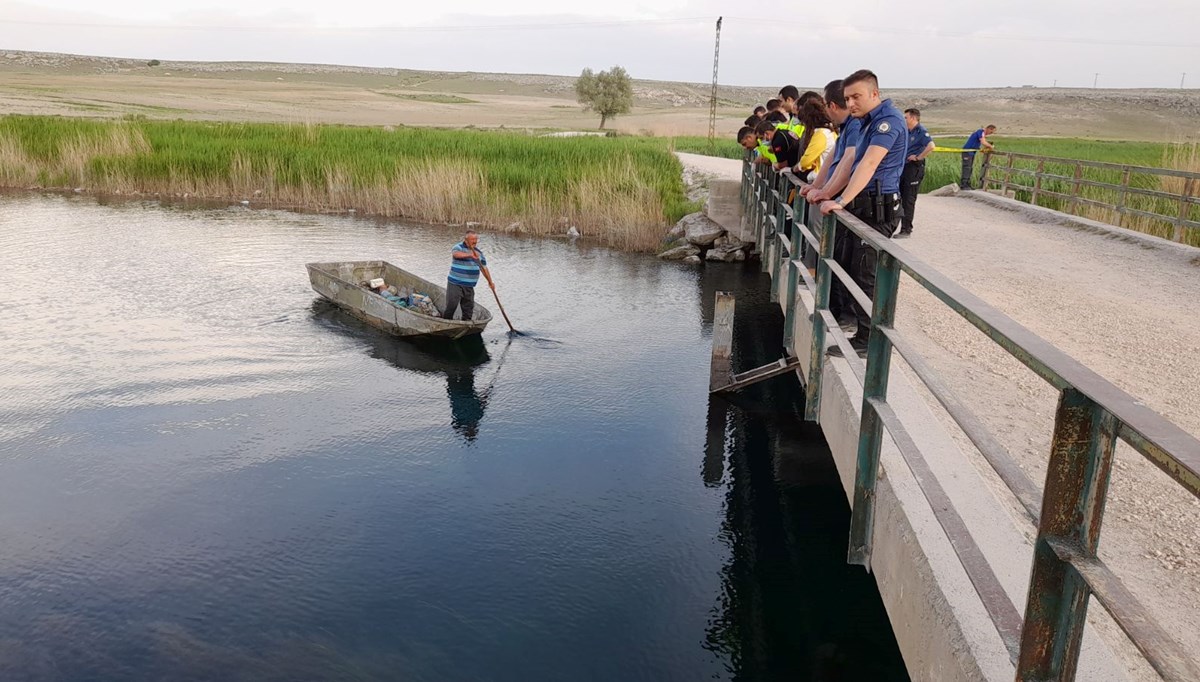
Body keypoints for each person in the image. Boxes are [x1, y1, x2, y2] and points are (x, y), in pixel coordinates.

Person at [818, 69, 908, 356]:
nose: (851, 103)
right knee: (851, 267)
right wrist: (827, 192)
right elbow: (850, 162)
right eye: (847, 98)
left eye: (856, 96)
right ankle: (858, 328)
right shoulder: (868, 122)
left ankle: (870, 341)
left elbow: (869, 164)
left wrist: (840, 200)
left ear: (874, 93)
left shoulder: (887, 122)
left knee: (867, 274)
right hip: (865, 207)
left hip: (878, 208)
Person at [801, 79, 861, 332]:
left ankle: (849, 322)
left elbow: (850, 162)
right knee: (836, 255)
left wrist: (828, 194)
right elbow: (834, 160)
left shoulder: (857, 126)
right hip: (837, 199)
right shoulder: (845, 128)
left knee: (853, 265)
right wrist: (820, 190)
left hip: (857, 204)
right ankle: (835, 314)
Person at [898, 108, 935, 237]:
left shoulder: (921, 131)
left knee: (908, 199)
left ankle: (906, 229)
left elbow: (931, 146)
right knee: (900, 197)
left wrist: (918, 157)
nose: (904, 120)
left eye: (906, 117)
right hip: (904, 167)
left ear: (913, 118)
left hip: (913, 168)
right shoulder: (907, 131)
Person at [443, 230, 495, 321]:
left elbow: (484, 268)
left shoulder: (479, 253)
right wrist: (470, 255)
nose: (474, 242)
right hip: (455, 283)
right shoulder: (458, 247)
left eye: (476, 239)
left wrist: (490, 282)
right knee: (452, 305)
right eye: (472, 240)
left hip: (469, 285)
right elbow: (456, 254)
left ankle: (466, 324)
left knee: (468, 308)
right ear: (466, 240)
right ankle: (446, 322)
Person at [793, 96, 838, 183]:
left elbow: (806, 160)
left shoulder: (821, 134)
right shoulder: (830, 131)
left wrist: (794, 168)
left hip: (820, 179)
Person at [961, 124, 996, 189]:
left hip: (971, 152)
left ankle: (967, 184)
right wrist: (991, 146)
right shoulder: (980, 132)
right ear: (988, 129)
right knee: (967, 168)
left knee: (970, 168)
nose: (990, 134)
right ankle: (964, 184)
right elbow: (983, 142)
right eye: (991, 132)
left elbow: (977, 143)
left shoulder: (981, 134)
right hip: (967, 152)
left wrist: (981, 149)